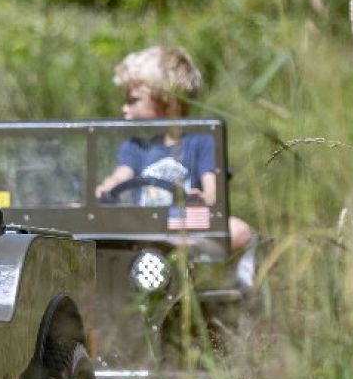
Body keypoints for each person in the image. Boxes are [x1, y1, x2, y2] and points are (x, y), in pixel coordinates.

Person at [93, 46, 256, 283]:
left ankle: (243, 286)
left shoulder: (201, 139)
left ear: (167, 101)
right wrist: (107, 187)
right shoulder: (136, 145)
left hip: (184, 226)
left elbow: (214, 191)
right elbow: (121, 175)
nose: (124, 108)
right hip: (144, 228)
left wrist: (205, 197)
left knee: (240, 230)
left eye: (134, 100)